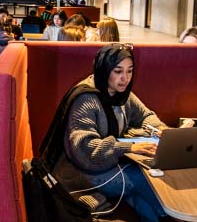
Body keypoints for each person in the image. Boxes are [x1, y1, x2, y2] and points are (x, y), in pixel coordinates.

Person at [53, 43, 168, 222]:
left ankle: (160, 218)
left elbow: (145, 115)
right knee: (145, 177)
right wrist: (128, 147)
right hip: (83, 174)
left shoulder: (121, 93)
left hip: (110, 165)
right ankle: (171, 213)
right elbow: (85, 149)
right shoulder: (87, 98)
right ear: (105, 70)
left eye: (130, 71)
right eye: (118, 71)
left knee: (139, 190)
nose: (125, 78)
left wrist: (159, 130)